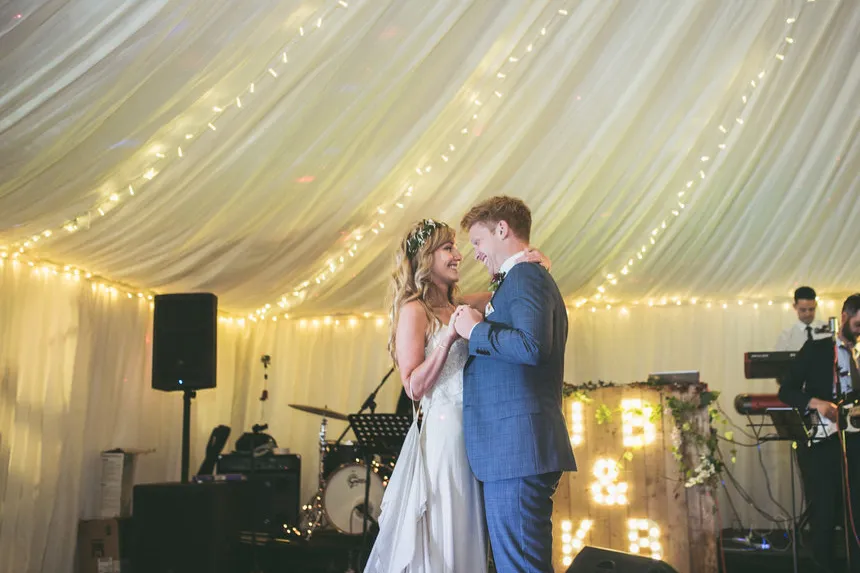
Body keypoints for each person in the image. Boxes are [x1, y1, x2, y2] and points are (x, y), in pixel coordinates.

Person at [364, 218, 549, 573]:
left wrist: (527, 262)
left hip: (478, 433)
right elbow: (413, 386)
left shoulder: (459, 304)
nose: (459, 255)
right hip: (446, 435)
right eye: (448, 248)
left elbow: (504, 292)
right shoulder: (414, 311)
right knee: (450, 524)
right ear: (426, 258)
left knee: (472, 528)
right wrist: (448, 339)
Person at [452, 196, 576, 573]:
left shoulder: (525, 276)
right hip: (514, 451)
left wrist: (475, 330)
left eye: (477, 242)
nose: (475, 254)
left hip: (517, 450)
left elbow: (532, 345)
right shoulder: (518, 278)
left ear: (502, 229)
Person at [778, 293, 860, 573]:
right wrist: (818, 403)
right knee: (824, 511)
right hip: (823, 443)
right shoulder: (816, 350)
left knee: (856, 511)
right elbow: (786, 390)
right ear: (845, 317)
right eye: (859, 325)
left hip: (856, 442)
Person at [775, 286, 827, 351]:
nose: (807, 314)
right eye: (803, 310)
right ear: (795, 306)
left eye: (811, 309)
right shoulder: (786, 335)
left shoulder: (827, 330)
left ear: (816, 304)